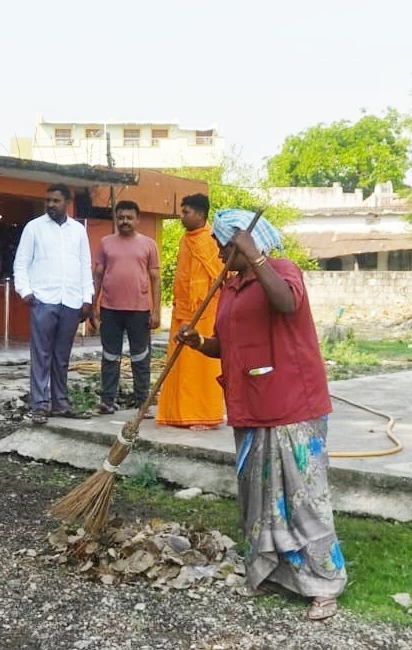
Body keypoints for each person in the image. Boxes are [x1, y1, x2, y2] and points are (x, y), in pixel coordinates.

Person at [176, 209, 346, 621]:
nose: (218, 257)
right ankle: (272, 570)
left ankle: (323, 584)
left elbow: (286, 304)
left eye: (222, 246)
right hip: (250, 405)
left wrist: (255, 257)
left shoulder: (283, 270)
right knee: (259, 498)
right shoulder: (232, 289)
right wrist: (199, 341)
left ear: (243, 242)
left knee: (303, 499)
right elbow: (229, 345)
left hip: (291, 404)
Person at [13, 183, 93, 424]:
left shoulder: (78, 230)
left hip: (70, 300)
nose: (50, 205)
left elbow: (84, 265)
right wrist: (25, 292)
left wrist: (87, 297)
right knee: (41, 355)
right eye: (47, 200)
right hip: (43, 301)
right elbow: (21, 263)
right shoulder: (34, 228)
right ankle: (39, 404)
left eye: (55, 201)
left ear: (67, 202)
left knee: (62, 357)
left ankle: (60, 404)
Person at [156, 193, 225, 429]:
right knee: (180, 365)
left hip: (206, 312)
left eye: (186, 212)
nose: (181, 216)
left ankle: (204, 416)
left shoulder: (212, 240)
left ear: (201, 214)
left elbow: (223, 276)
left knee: (202, 366)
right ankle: (177, 414)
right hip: (182, 311)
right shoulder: (185, 240)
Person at [91, 200, 160, 414]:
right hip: (110, 310)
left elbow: (156, 278)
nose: (124, 221)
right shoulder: (105, 243)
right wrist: (93, 306)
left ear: (137, 219)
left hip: (139, 311)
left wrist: (156, 311)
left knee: (141, 357)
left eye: (129, 217)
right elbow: (98, 275)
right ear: (116, 219)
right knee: (110, 356)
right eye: (120, 217)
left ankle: (143, 403)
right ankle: (107, 401)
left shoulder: (149, 244)